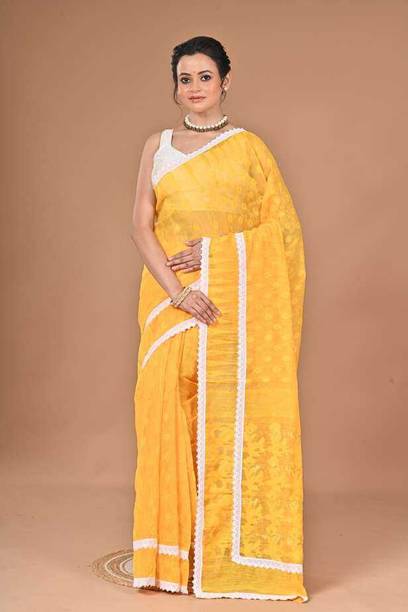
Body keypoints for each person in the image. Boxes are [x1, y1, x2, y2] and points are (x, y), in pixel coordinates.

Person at [130, 35, 308, 602]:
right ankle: (169, 558)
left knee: (222, 419)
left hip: (232, 302)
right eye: (185, 78)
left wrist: (216, 254)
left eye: (205, 76)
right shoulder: (157, 145)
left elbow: (281, 232)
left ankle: (223, 557)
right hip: (170, 301)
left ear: (225, 81)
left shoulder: (250, 148)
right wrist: (178, 291)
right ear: (175, 86)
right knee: (166, 414)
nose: (194, 87)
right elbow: (141, 225)